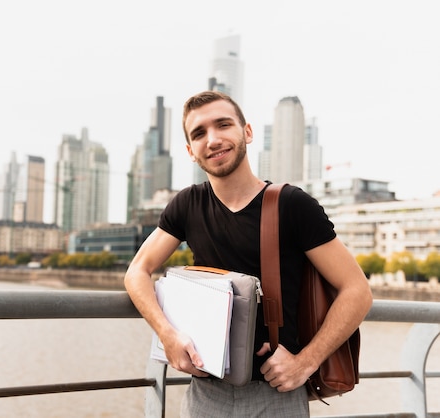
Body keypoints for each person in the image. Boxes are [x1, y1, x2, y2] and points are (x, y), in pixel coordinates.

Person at [124, 90, 373, 417]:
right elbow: (137, 272)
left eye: (223, 125)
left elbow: (357, 291)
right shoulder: (187, 205)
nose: (212, 139)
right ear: (190, 151)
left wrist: (305, 363)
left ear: (248, 132)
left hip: (276, 392)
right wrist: (167, 335)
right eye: (199, 133)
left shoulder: (293, 205)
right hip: (204, 391)